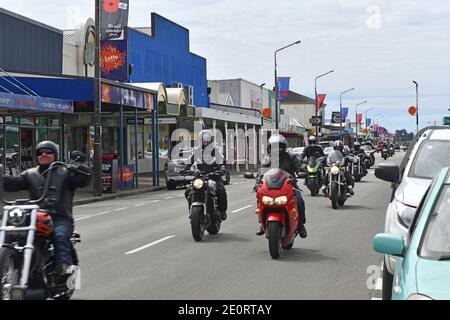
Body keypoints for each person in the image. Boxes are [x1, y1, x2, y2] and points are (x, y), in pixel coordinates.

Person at [3, 141, 92, 285]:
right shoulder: (29, 173)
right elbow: (14, 183)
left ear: (55, 155)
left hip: (60, 218)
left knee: (60, 235)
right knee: (11, 235)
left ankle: (64, 268)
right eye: (40, 152)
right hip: (34, 218)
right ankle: (8, 267)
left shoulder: (66, 172)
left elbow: (84, 179)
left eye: (48, 152)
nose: (43, 154)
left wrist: (80, 167)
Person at [256, 134, 307, 238]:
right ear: (270, 148)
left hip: (289, 185)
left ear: (284, 147)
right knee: (259, 200)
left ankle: (301, 225)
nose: (277, 149)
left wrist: (302, 171)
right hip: (270, 186)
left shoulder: (291, 157)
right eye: (274, 146)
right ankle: (262, 223)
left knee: (300, 201)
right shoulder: (267, 159)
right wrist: (257, 183)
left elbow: (299, 168)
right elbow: (261, 173)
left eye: (280, 146)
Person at [184, 129, 228, 221]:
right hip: (200, 177)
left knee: (221, 191)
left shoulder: (216, 150)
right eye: (203, 139)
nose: (205, 142)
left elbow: (222, 162)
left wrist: (221, 169)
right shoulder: (197, 151)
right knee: (188, 191)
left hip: (214, 176)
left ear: (211, 139)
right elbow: (190, 161)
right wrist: (186, 168)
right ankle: (192, 211)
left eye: (207, 139)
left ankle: (222, 211)